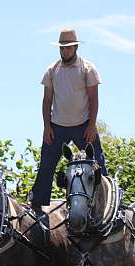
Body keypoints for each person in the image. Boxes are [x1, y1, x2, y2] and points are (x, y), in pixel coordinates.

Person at [29, 28, 108, 220]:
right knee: (46, 164)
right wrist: (47, 127)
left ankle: (107, 201)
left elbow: (93, 100)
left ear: (75, 47)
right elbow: (46, 101)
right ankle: (37, 203)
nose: (64, 51)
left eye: (68, 48)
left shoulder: (87, 69)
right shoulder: (52, 70)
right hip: (57, 126)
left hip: (83, 124)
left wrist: (91, 126)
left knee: (98, 162)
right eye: (62, 48)